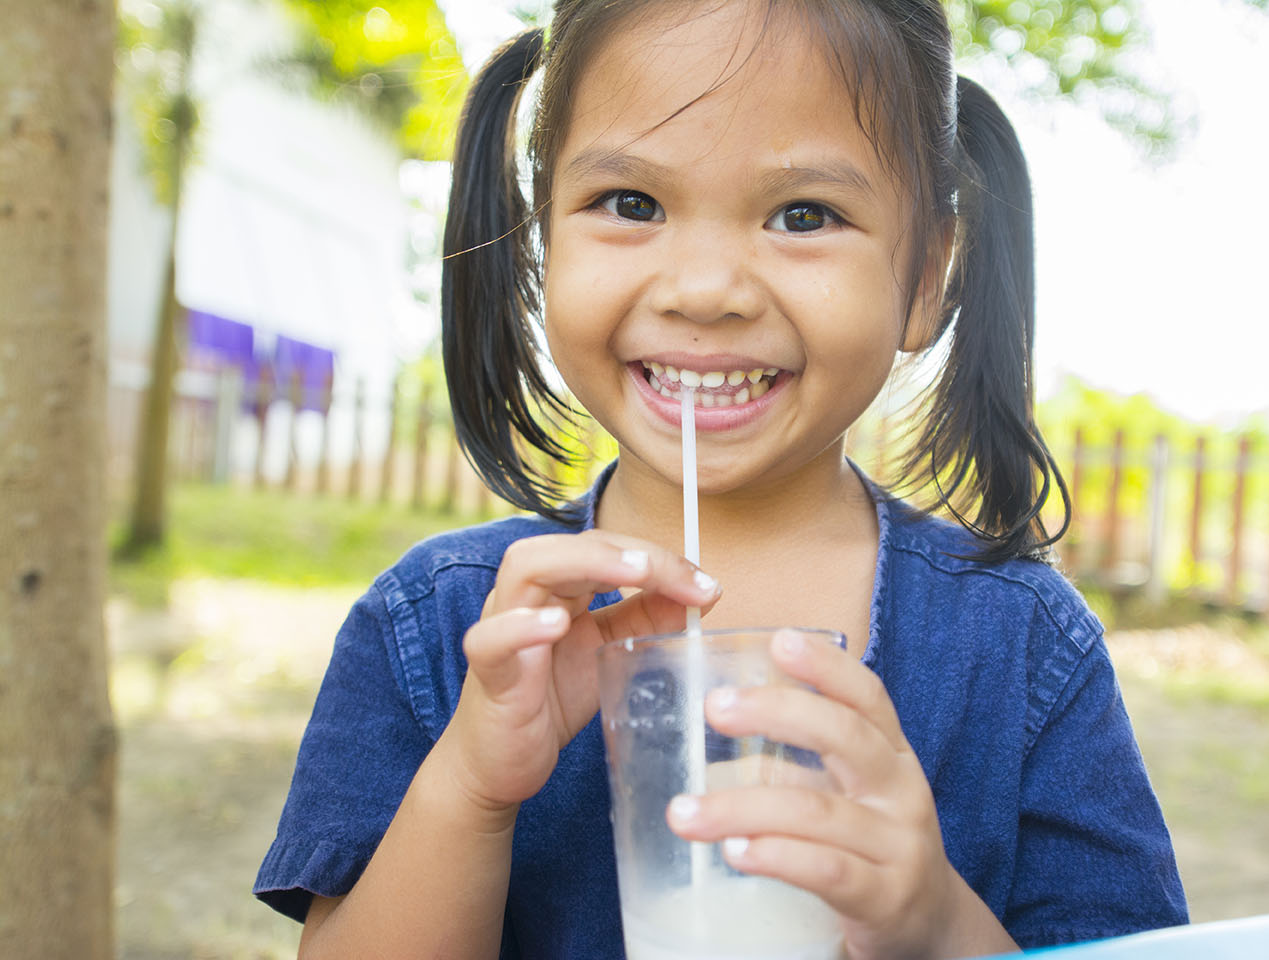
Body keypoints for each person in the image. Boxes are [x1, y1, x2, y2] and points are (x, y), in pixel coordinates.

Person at [255, 1, 1188, 956]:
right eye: (631, 204)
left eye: (804, 215)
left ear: (928, 276)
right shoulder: (436, 629)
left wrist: (935, 923)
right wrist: (471, 787)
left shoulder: (1025, 646)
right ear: (541, 241)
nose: (705, 289)